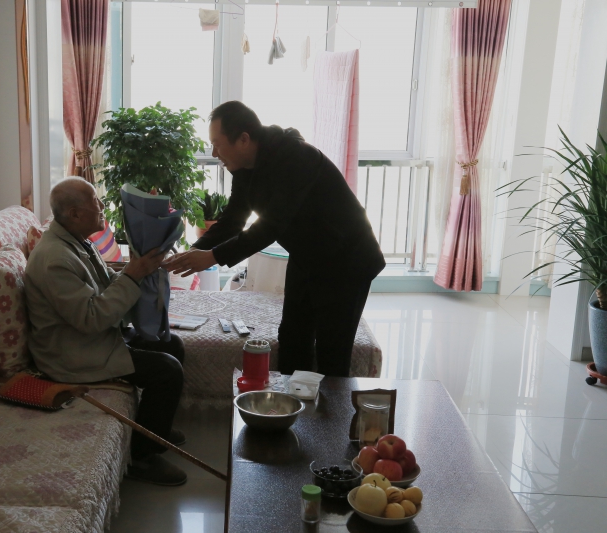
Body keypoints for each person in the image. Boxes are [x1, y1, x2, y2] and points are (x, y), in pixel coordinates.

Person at [165, 101, 385, 377]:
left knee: (332, 353)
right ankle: (290, 404)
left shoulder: (296, 158)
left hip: (347, 261)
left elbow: (270, 226)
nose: (214, 153)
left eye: (217, 144)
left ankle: (330, 406)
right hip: (307, 257)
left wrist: (212, 257)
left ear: (243, 139)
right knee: (292, 341)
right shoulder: (244, 168)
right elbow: (233, 220)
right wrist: (191, 253)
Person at [25, 177, 188, 486]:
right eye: (95, 201)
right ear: (75, 214)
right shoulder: (55, 259)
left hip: (92, 338)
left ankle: (157, 429)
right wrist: (133, 275)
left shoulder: (75, 240)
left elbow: (102, 288)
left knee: (172, 344)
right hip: (72, 353)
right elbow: (91, 318)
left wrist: (136, 268)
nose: (101, 206)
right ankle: (142, 458)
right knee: (167, 370)